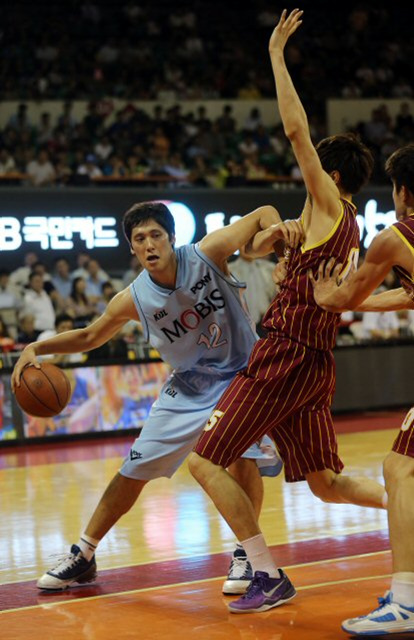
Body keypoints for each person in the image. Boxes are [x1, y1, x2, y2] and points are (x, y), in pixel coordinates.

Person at [188, 8, 386, 615]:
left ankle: (267, 574)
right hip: (314, 360)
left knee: (201, 457)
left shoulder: (329, 202)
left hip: (286, 355)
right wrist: (285, 256)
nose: (302, 174)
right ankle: (405, 499)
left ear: (328, 175)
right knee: (326, 484)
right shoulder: (337, 227)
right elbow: (270, 252)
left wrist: (276, 55)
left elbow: (298, 133)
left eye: (310, 170)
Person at [12, 201, 303, 593]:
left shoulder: (207, 253)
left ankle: (246, 556)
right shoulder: (133, 298)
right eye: (139, 239)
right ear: (131, 248)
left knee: (240, 458)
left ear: (171, 239)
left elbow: (265, 212)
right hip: (187, 386)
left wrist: (285, 257)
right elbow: (88, 337)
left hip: (242, 377)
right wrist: (37, 348)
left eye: (155, 236)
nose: (149, 245)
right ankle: (84, 554)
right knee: (133, 468)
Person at [309, 143, 414, 636]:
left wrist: (331, 297)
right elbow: (404, 294)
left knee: (401, 468)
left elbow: (346, 294)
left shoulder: (396, 237)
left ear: (403, 191)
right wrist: (359, 304)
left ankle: (408, 602)